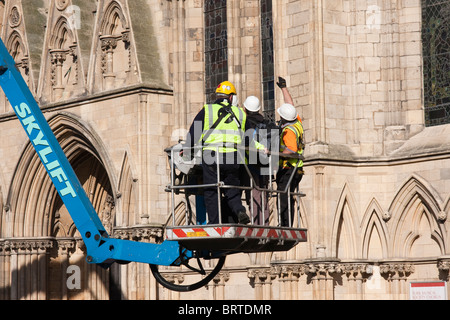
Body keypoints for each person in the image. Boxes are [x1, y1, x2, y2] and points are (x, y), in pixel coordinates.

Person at [185, 81, 250, 225]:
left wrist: (187, 151)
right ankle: (240, 211)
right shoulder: (240, 113)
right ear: (231, 97)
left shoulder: (207, 110)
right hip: (233, 156)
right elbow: (248, 138)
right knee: (232, 189)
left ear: (218, 96)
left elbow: (195, 131)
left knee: (211, 190)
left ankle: (214, 222)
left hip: (212, 156)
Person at [276, 77, 304, 227]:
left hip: (289, 169)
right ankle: (285, 223)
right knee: (288, 195)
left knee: (283, 196)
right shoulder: (296, 122)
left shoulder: (288, 131)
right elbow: (290, 105)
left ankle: (285, 225)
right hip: (297, 169)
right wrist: (283, 88)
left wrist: (276, 153)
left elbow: (291, 149)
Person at [242, 96, 270, 225]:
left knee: (254, 194)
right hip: (265, 164)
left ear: (245, 109)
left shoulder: (246, 123)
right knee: (263, 194)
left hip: (250, 163)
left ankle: (257, 223)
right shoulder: (266, 123)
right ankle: (264, 222)